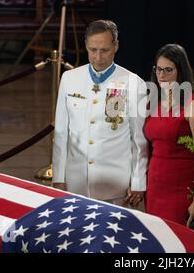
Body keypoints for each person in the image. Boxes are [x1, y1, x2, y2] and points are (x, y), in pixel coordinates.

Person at [52, 20, 148, 207]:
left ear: (116, 46)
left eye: (104, 50)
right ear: (86, 46)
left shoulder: (134, 83)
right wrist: (58, 176)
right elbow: (61, 133)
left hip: (115, 186)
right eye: (92, 50)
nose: (98, 57)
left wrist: (137, 182)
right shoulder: (70, 78)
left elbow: (138, 140)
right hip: (75, 182)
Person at [144, 43, 194, 228]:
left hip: (182, 190)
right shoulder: (153, 101)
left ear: (181, 72)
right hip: (155, 187)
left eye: (168, 70)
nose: (162, 76)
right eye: (158, 69)